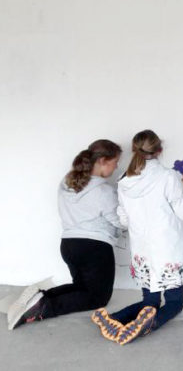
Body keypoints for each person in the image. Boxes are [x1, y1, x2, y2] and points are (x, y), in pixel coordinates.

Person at [91, 130, 183, 345]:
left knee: (150, 302)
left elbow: (124, 220)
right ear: (159, 150)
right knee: (175, 303)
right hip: (168, 248)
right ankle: (149, 324)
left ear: (134, 150)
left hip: (142, 250)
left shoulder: (124, 180)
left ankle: (113, 318)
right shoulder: (168, 177)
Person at [7, 140, 122, 330]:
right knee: (97, 298)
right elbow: (119, 221)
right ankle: (43, 307)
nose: (116, 166)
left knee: (81, 287)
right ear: (102, 160)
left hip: (69, 245)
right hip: (94, 248)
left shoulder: (68, 182)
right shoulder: (104, 191)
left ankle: (40, 296)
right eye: (115, 162)